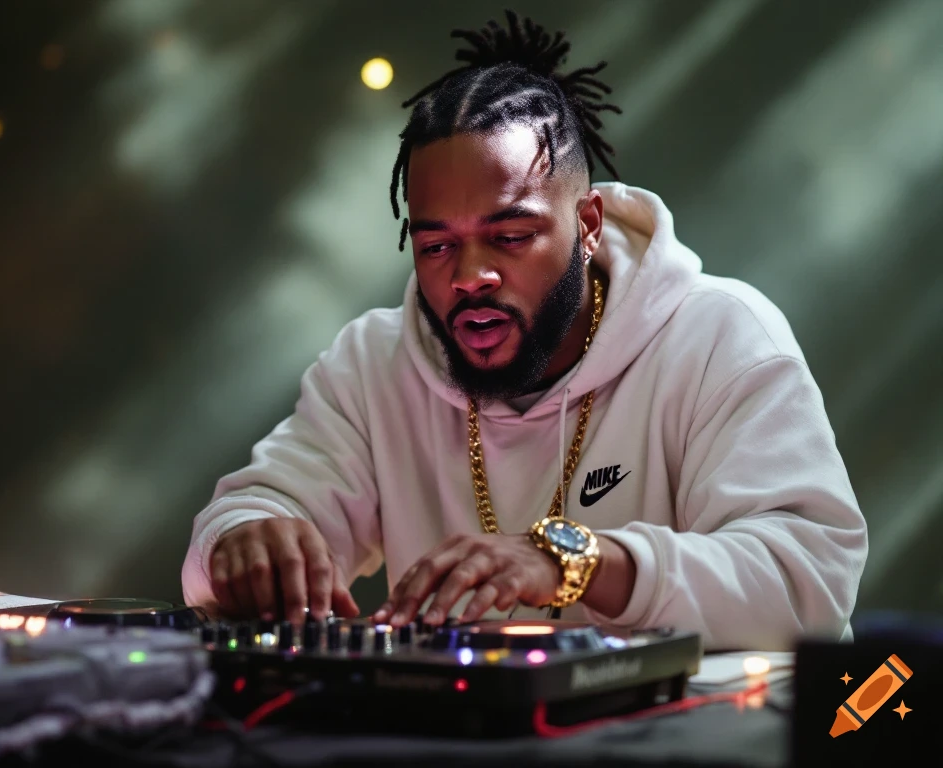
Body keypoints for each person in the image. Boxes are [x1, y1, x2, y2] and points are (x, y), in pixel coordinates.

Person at [181, 12, 867, 651]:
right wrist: (245, 537)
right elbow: (255, 513)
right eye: (437, 246)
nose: (469, 276)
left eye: (509, 236)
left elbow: (808, 583)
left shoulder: (720, 334)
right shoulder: (375, 363)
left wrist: (572, 561)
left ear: (589, 222)